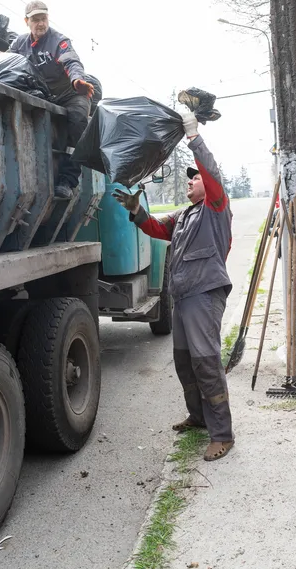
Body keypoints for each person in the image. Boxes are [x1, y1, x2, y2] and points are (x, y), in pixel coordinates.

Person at [112, 109, 235, 462]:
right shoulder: (184, 215)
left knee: (207, 362)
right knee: (185, 363)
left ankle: (222, 433)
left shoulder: (215, 207)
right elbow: (154, 229)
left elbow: (211, 174)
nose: (189, 181)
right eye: (188, 179)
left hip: (203, 295)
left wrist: (194, 137)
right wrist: (137, 212)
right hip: (182, 298)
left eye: (193, 178)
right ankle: (198, 418)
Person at [0, 0, 96, 199]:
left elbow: (71, 60)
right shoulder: (20, 43)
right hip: (43, 94)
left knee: (79, 119)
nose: (41, 23)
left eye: (44, 18)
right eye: (36, 19)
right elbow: (11, 62)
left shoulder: (58, 41)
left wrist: (76, 80)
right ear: (26, 21)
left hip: (70, 94)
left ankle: (68, 179)